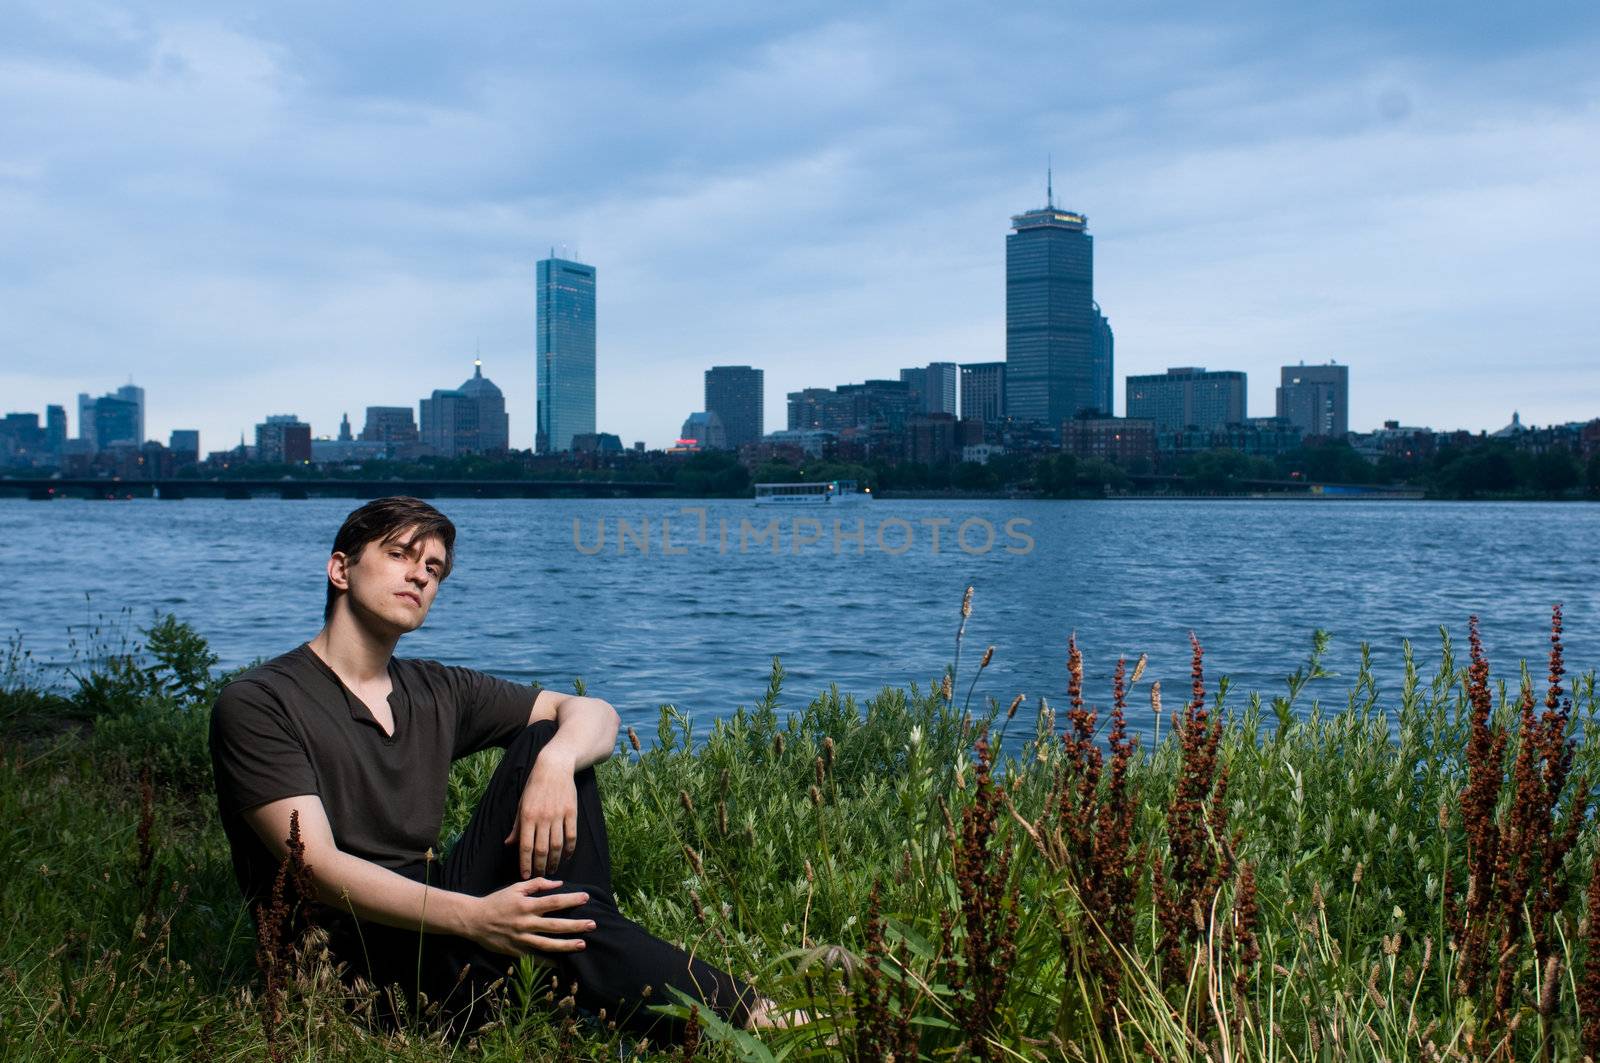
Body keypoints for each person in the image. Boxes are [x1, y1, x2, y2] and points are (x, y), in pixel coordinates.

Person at [209, 496, 766, 1040]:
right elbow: (318, 869)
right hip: (346, 964)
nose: (421, 577)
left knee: (550, 735)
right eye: (400, 555)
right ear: (340, 570)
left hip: (438, 921)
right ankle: (755, 1018)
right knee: (570, 918)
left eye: (434, 568)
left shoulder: (435, 688)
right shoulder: (260, 703)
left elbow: (596, 713)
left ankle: (603, 968)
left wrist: (554, 762)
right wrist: (476, 919)